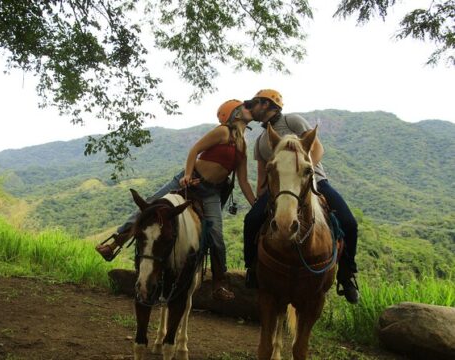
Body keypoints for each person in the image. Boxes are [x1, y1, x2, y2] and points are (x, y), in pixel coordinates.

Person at [96, 99, 256, 301]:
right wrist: (188, 175)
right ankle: (116, 242)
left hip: (211, 193)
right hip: (190, 180)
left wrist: (256, 204)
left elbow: (243, 181)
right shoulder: (223, 131)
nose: (249, 110)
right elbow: (195, 150)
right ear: (235, 113)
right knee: (151, 206)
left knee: (216, 236)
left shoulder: (242, 145)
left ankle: (219, 283)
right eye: (245, 107)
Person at [242, 89, 360, 304]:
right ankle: (252, 268)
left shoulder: (292, 121)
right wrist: (260, 199)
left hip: (314, 180)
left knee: (349, 223)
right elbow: (262, 174)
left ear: (268, 104)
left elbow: (317, 149)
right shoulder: (261, 141)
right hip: (278, 189)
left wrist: (305, 175)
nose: (251, 108)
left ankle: (346, 274)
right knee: (251, 220)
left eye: (254, 103)